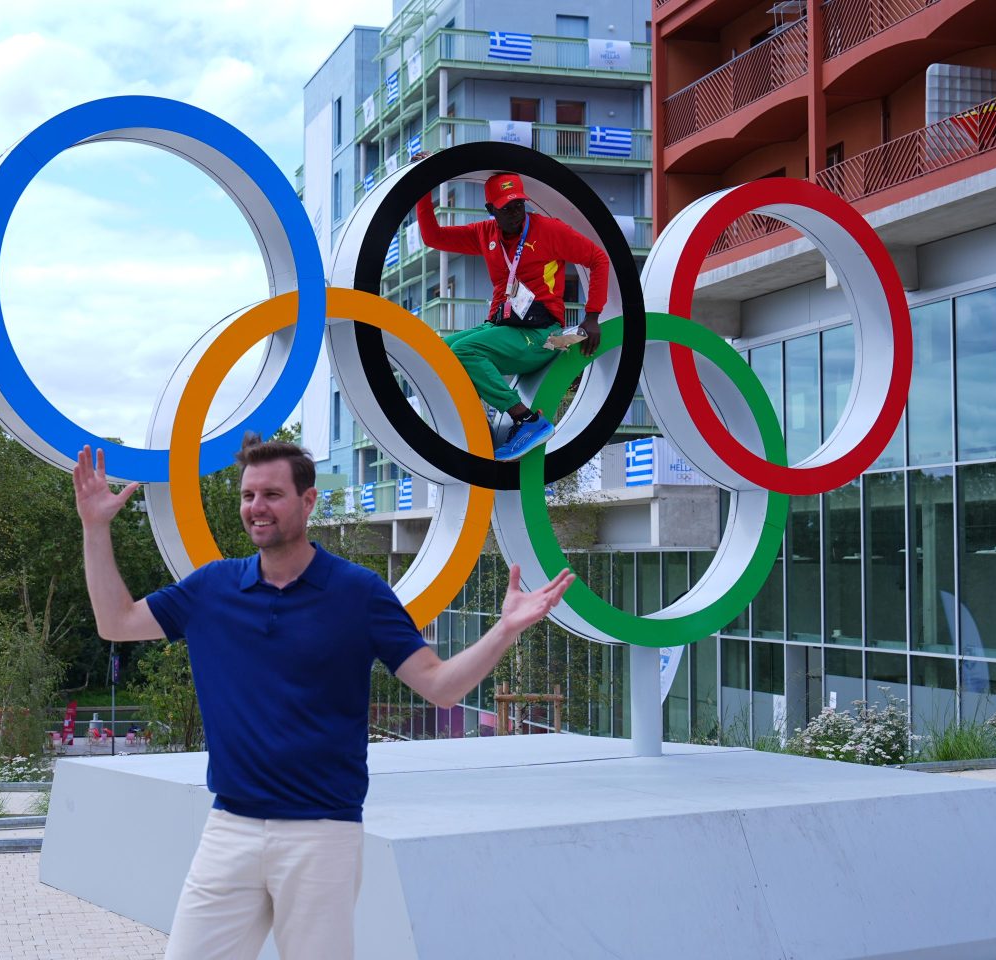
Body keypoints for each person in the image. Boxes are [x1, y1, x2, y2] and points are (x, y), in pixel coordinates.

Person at [73, 434, 573, 960]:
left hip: (321, 833)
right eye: (248, 496)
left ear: (307, 501)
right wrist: (95, 527)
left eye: (271, 494)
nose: (256, 508)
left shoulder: (358, 593)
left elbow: (441, 686)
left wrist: (504, 631)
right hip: (231, 826)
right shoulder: (212, 588)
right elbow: (116, 622)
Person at [415, 170, 610, 461]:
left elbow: (598, 259)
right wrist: (423, 183)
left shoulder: (550, 230)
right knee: (441, 351)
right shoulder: (485, 234)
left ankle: (528, 421)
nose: (515, 212)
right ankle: (474, 425)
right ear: (490, 209)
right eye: (506, 207)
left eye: (519, 204)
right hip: (503, 326)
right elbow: (433, 237)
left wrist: (592, 315)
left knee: (465, 350)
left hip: (542, 334)